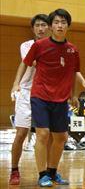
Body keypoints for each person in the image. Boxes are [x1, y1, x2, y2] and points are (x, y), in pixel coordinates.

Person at [12, 8, 85, 187]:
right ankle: (42, 175)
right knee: (42, 134)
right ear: (51, 26)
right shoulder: (38, 46)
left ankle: (52, 172)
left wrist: (73, 95)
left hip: (61, 98)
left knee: (61, 137)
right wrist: (16, 84)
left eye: (63, 22)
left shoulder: (73, 50)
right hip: (40, 95)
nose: (59, 25)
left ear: (68, 26)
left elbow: (72, 72)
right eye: (56, 22)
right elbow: (24, 64)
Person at [9, 14, 49, 185]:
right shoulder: (27, 45)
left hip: (47, 93)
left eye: (43, 25)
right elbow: (33, 63)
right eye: (37, 25)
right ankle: (14, 169)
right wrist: (16, 84)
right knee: (21, 133)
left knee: (47, 134)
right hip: (26, 93)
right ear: (33, 29)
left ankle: (48, 172)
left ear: (49, 27)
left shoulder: (57, 47)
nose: (40, 28)